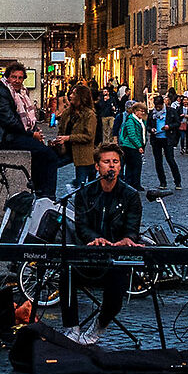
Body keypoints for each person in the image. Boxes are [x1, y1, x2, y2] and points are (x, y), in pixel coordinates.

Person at [66, 143, 144, 344]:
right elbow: (81, 226)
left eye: (115, 162)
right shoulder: (84, 193)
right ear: (97, 166)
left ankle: (99, 325)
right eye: (107, 162)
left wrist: (127, 239)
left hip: (115, 256)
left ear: (120, 166)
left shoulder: (131, 195)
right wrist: (94, 238)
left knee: (118, 284)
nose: (111, 166)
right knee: (65, 272)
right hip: (90, 254)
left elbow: (132, 227)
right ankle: (72, 326)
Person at [0, 63, 61, 197]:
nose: (17, 81)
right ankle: (47, 195)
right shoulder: (1, 94)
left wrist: (36, 132)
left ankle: (41, 190)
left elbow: (29, 119)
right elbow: (9, 121)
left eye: (20, 78)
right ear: (7, 77)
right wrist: (32, 134)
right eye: (14, 77)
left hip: (18, 134)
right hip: (8, 137)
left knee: (45, 154)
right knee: (50, 156)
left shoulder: (22, 93)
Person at [60, 84, 98, 191]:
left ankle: (83, 201)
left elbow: (89, 136)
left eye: (73, 94)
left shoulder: (89, 115)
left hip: (83, 153)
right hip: (66, 150)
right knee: (50, 165)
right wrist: (59, 140)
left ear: (81, 97)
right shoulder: (68, 113)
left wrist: (69, 138)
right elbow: (62, 129)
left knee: (82, 182)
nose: (70, 96)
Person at [114, 96, 147, 191]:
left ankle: (135, 183)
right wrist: (139, 146)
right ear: (135, 111)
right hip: (130, 146)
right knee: (133, 166)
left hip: (135, 146)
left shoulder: (140, 121)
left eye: (143, 111)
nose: (142, 113)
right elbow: (132, 135)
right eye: (140, 111)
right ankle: (132, 184)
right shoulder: (130, 120)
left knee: (135, 166)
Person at [149, 100, 183, 189]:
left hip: (168, 139)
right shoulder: (152, 113)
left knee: (170, 160)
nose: (158, 107)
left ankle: (177, 182)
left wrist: (169, 126)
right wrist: (151, 129)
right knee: (158, 161)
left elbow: (177, 122)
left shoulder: (171, 111)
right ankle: (162, 182)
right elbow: (148, 125)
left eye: (159, 105)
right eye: (156, 106)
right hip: (156, 139)